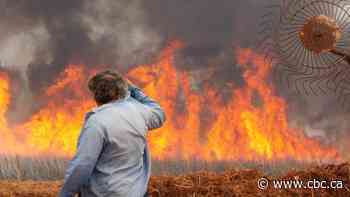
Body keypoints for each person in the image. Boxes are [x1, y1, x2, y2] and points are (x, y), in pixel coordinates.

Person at [59, 70, 166, 197]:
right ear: (121, 91)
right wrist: (133, 89)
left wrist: (66, 193)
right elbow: (159, 113)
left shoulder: (96, 122)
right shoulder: (139, 111)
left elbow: (83, 164)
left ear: (95, 95)